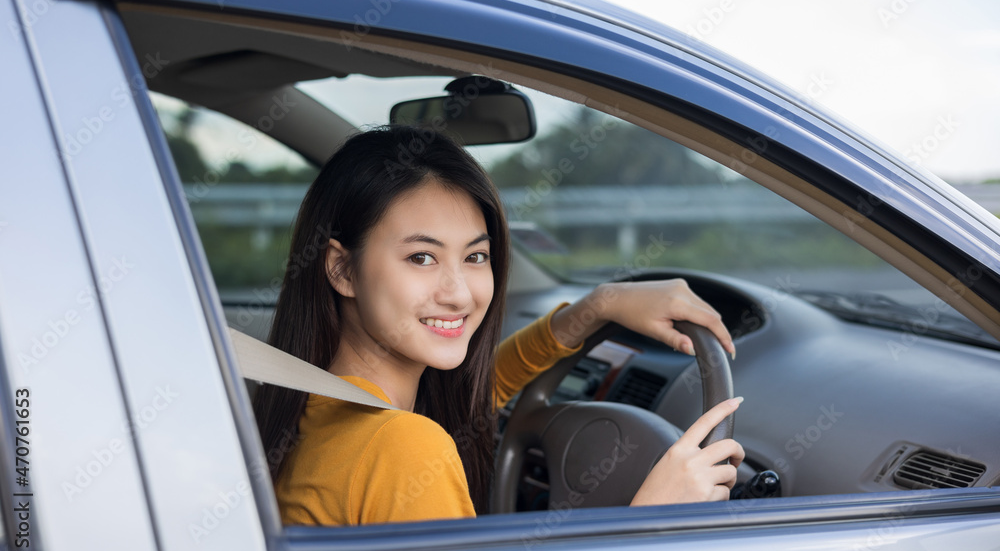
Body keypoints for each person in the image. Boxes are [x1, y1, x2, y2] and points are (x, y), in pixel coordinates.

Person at [254, 125, 745, 526]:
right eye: (421, 257)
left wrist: (596, 307)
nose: (460, 293)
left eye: (475, 256)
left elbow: (468, 395)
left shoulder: (309, 400)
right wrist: (649, 519)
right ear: (341, 269)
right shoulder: (404, 449)